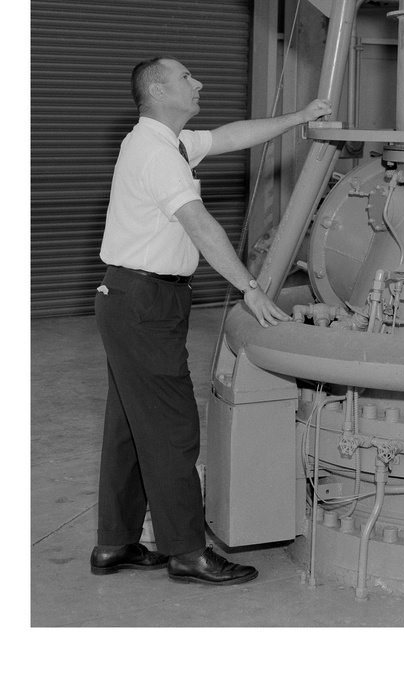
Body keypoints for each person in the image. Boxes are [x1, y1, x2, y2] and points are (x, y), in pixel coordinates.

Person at [90, 57, 331, 586]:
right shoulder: (157, 155)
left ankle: (116, 543)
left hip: (134, 297)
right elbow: (199, 224)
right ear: (157, 89)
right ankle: (186, 551)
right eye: (185, 78)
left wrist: (297, 117)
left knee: (131, 426)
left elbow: (228, 137)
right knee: (173, 428)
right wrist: (250, 287)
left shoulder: (165, 143)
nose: (198, 83)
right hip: (144, 300)